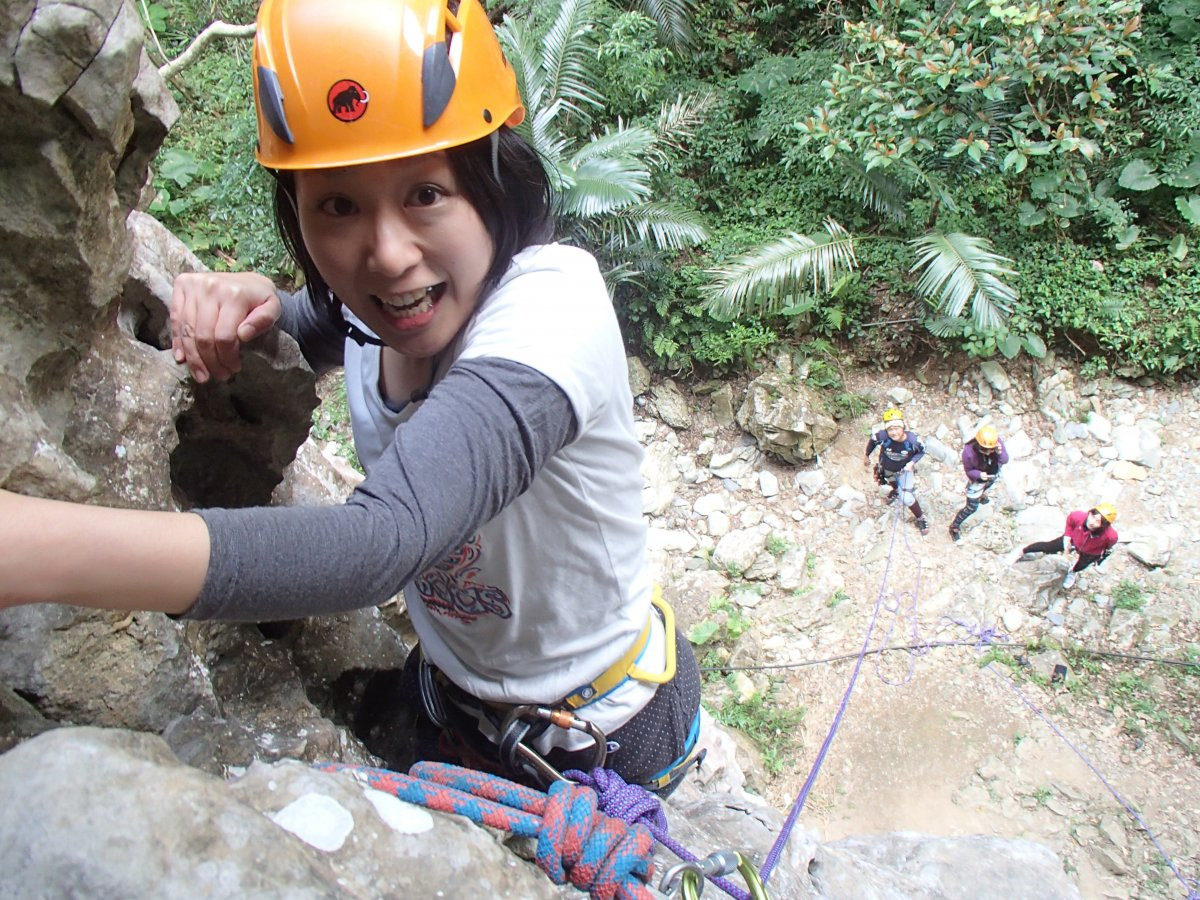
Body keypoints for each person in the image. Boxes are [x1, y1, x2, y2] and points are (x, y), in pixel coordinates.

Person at [0, 0, 701, 795]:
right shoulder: (381, 311)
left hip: (599, 738)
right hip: (455, 692)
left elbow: (381, 543)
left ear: (494, 181)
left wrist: (28, 548)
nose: (388, 256)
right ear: (297, 215)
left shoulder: (550, 316)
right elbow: (311, 326)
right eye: (338, 205)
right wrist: (252, 312)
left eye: (426, 193)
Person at [1009, 504, 1119, 589]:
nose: (1092, 522)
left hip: (1090, 551)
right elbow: (1070, 521)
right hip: (1073, 539)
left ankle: (1073, 572)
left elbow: (1108, 547)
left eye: (1098, 521)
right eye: (1092, 516)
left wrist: (1099, 557)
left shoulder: (1110, 535)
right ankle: (1022, 551)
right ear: (1089, 513)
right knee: (1048, 546)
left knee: (1082, 564)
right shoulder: (1078, 516)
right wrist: (1067, 537)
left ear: (1104, 525)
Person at [863, 408, 929, 535]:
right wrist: (867, 455)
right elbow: (872, 442)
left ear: (902, 427)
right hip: (887, 467)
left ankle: (920, 517)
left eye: (896, 428)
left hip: (905, 471)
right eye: (890, 429)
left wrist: (912, 462)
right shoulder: (881, 436)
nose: (893, 432)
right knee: (891, 481)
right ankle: (896, 491)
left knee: (907, 497)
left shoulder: (913, 441)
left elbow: (922, 451)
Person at [948, 424, 1009, 542]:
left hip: (991, 473)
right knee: (972, 507)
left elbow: (1005, 460)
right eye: (985, 450)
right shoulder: (968, 452)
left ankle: (981, 494)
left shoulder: (996, 442)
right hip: (979, 478)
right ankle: (954, 527)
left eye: (991, 450)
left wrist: (999, 451)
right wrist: (978, 475)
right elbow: (969, 471)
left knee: (989, 484)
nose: (988, 452)